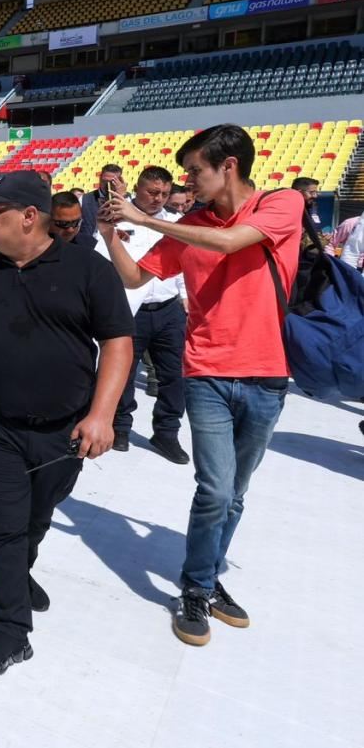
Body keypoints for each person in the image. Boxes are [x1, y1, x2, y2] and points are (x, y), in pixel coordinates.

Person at [98, 124, 303, 647]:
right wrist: (109, 236)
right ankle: (196, 587)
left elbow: (233, 241)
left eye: (195, 172)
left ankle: (208, 582)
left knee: (236, 493)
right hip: (206, 371)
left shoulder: (279, 205)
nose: (188, 182)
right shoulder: (190, 225)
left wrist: (147, 218)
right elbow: (133, 278)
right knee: (214, 487)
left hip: (266, 375)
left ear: (228, 167)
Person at [0, 170, 133, 674]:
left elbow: (119, 343)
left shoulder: (88, 270)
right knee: (5, 522)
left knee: (38, 515)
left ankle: (20, 571)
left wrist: (102, 415)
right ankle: (12, 629)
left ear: (29, 217)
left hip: (64, 431)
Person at [94, 166, 189, 463]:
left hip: (168, 309)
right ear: (137, 188)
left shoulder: (176, 223)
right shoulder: (115, 219)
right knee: (123, 371)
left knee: (174, 375)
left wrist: (186, 298)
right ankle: (120, 426)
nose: (158, 198)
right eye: (152, 192)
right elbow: (101, 263)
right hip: (129, 309)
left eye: (163, 193)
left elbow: (185, 266)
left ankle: (167, 432)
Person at [80, 164, 125, 240]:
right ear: (100, 178)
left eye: (111, 182)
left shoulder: (129, 199)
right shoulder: (84, 199)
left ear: (120, 181)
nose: (107, 185)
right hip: (92, 245)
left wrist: (121, 197)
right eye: (104, 181)